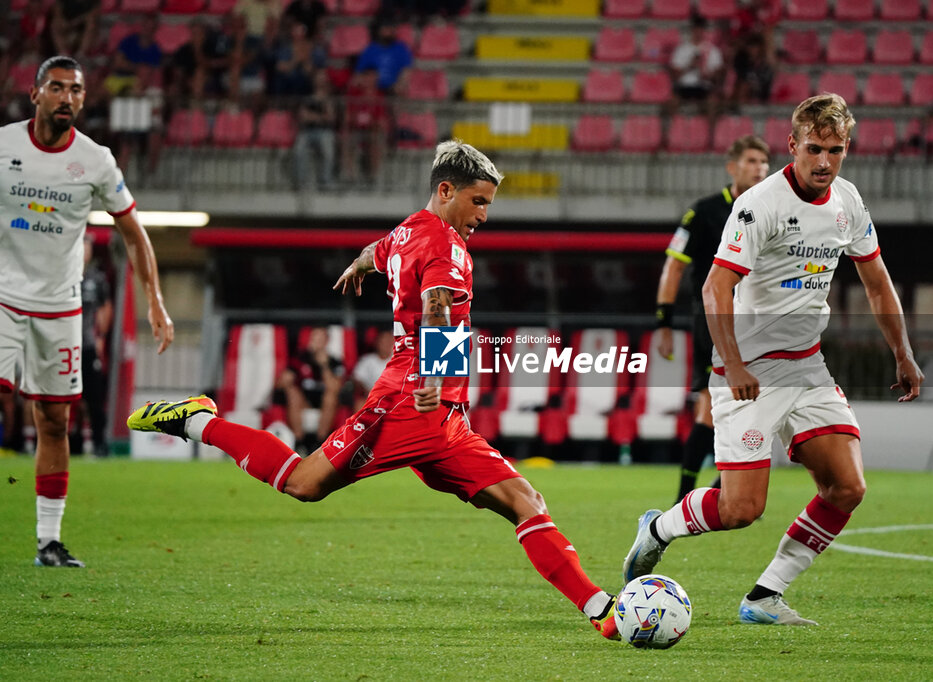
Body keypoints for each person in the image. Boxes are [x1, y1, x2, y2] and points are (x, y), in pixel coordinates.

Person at [127, 140, 622, 641]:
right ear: (446, 190)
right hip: (409, 401)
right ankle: (197, 420)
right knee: (303, 483)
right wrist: (431, 377)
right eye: (478, 201)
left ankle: (602, 610)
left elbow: (376, 252)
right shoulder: (446, 245)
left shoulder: (408, 229)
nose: (484, 216)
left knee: (525, 500)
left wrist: (360, 266)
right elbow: (436, 309)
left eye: (488, 204)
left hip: (445, 418)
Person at [623, 93, 924, 626]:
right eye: (814, 149)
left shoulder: (847, 203)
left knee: (848, 487)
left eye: (835, 150)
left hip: (807, 365)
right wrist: (735, 365)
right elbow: (717, 289)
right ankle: (658, 529)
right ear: (793, 146)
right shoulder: (759, 204)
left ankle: (764, 596)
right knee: (741, 509)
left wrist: (902, 352)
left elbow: (877, 283)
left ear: (846, 149)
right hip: (749, 369)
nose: (824, 162)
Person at [0, 56, 175, 567]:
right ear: (35, 94)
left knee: (55, 422)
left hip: (59, 307)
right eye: (56, 88)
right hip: (4, 298)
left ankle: (48, 542)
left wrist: (155, 301)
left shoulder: (95, 160)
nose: (67, 98)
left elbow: (133, 235)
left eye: (75, 90)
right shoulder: (5, 145)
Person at [655, 134, 771, 504]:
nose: (760, 169)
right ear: (732, 166)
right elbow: (673, 267)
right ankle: (690, 495)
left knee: (746, 404)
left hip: (756, 320)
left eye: (764, 163)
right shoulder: (703, 212)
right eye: (752, 161)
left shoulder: (772, 211)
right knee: (712, 402)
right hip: (714, 318)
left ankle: (713, 494)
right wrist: (664, 323)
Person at [274, 326, 345, 452]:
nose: (317, 342)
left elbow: (335, 387)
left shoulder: (334, 361)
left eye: (320, 339)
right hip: (304, 400)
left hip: (325, 402)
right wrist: (287, 378)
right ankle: (299, 441)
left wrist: (324, 365)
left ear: (326, 341)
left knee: (330, 396)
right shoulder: (300, 358)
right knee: (292, 392)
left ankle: (320, 441)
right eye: (315, 338)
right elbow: (280, 384)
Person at [78, 234, 112, 456]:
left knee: (94, 396)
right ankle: (71, 439)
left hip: (87, 346)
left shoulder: (96, 279)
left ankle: (99, 442)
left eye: (88, 245)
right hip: (60, 347)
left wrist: (100, 337)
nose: (85, 249)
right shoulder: (61, 275)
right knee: (57, 398)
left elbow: (105, 308)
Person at [668, 15, 723, 116]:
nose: (698, 32)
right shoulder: (681, 49)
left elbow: (718, 76)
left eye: (701, 29)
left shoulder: (713, 50)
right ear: (692, 30)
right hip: (684, 86)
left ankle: (710, 132)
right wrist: (690, 66)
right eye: (696, 29)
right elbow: (675, 76)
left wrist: (708, 76)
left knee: (712, 103)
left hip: (704, 86)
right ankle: (670, 131)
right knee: (672, 102)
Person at [292, 69, 336, 190]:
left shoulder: (328, 98)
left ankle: (325, 181)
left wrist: (313, 117)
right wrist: (320, 117)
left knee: (328, 151)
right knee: (299, 150)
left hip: (324, 131)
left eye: (323, 78)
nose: (320, 80)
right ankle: (301, 181)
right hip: (307, 131)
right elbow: (302, 116)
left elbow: (331, 117)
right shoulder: (307, 97)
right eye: (318, 77)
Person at [354, 20, 413, 96]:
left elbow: (407, 70)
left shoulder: (401, 48)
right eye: (385, 29)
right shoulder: (370, 49)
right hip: (373, 89)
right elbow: (359, 72)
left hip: (394, 89)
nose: (388, 32)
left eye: (391, 29)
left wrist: (400, 84)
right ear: (379, 31)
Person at [351, 328, 394, 409]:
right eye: (383, 341)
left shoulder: (400, 360)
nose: (386, 344)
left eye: (389, 341)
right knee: (360, 404)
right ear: (377, 343)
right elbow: (357, 379)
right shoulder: (367, 360)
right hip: (371, 397)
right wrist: (366, 390)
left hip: (394, 398)